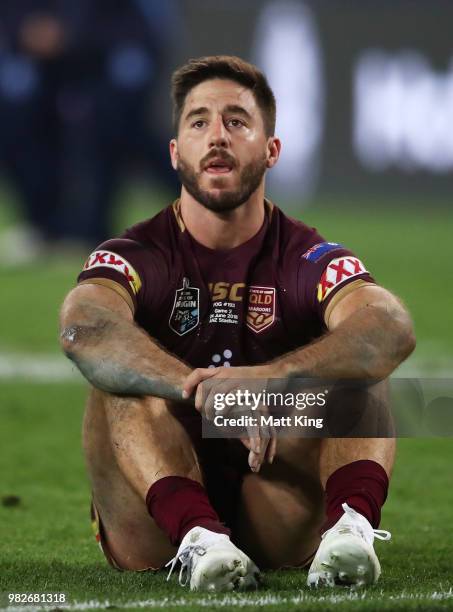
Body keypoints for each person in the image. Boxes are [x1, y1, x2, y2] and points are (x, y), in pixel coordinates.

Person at [59, 55, 415, 591]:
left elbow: (391, 328)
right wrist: (199, 388)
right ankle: (200, 538)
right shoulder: (133, 254)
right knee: (118, 377)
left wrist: (275, 378)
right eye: (198, 122)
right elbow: (83, 329)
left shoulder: (309, 257)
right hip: (155, 513)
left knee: (364, 356)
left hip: (272, 495)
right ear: (176, 154)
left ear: (271, 150)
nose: (217, 137)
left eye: (237, 121)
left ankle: (351, 531)